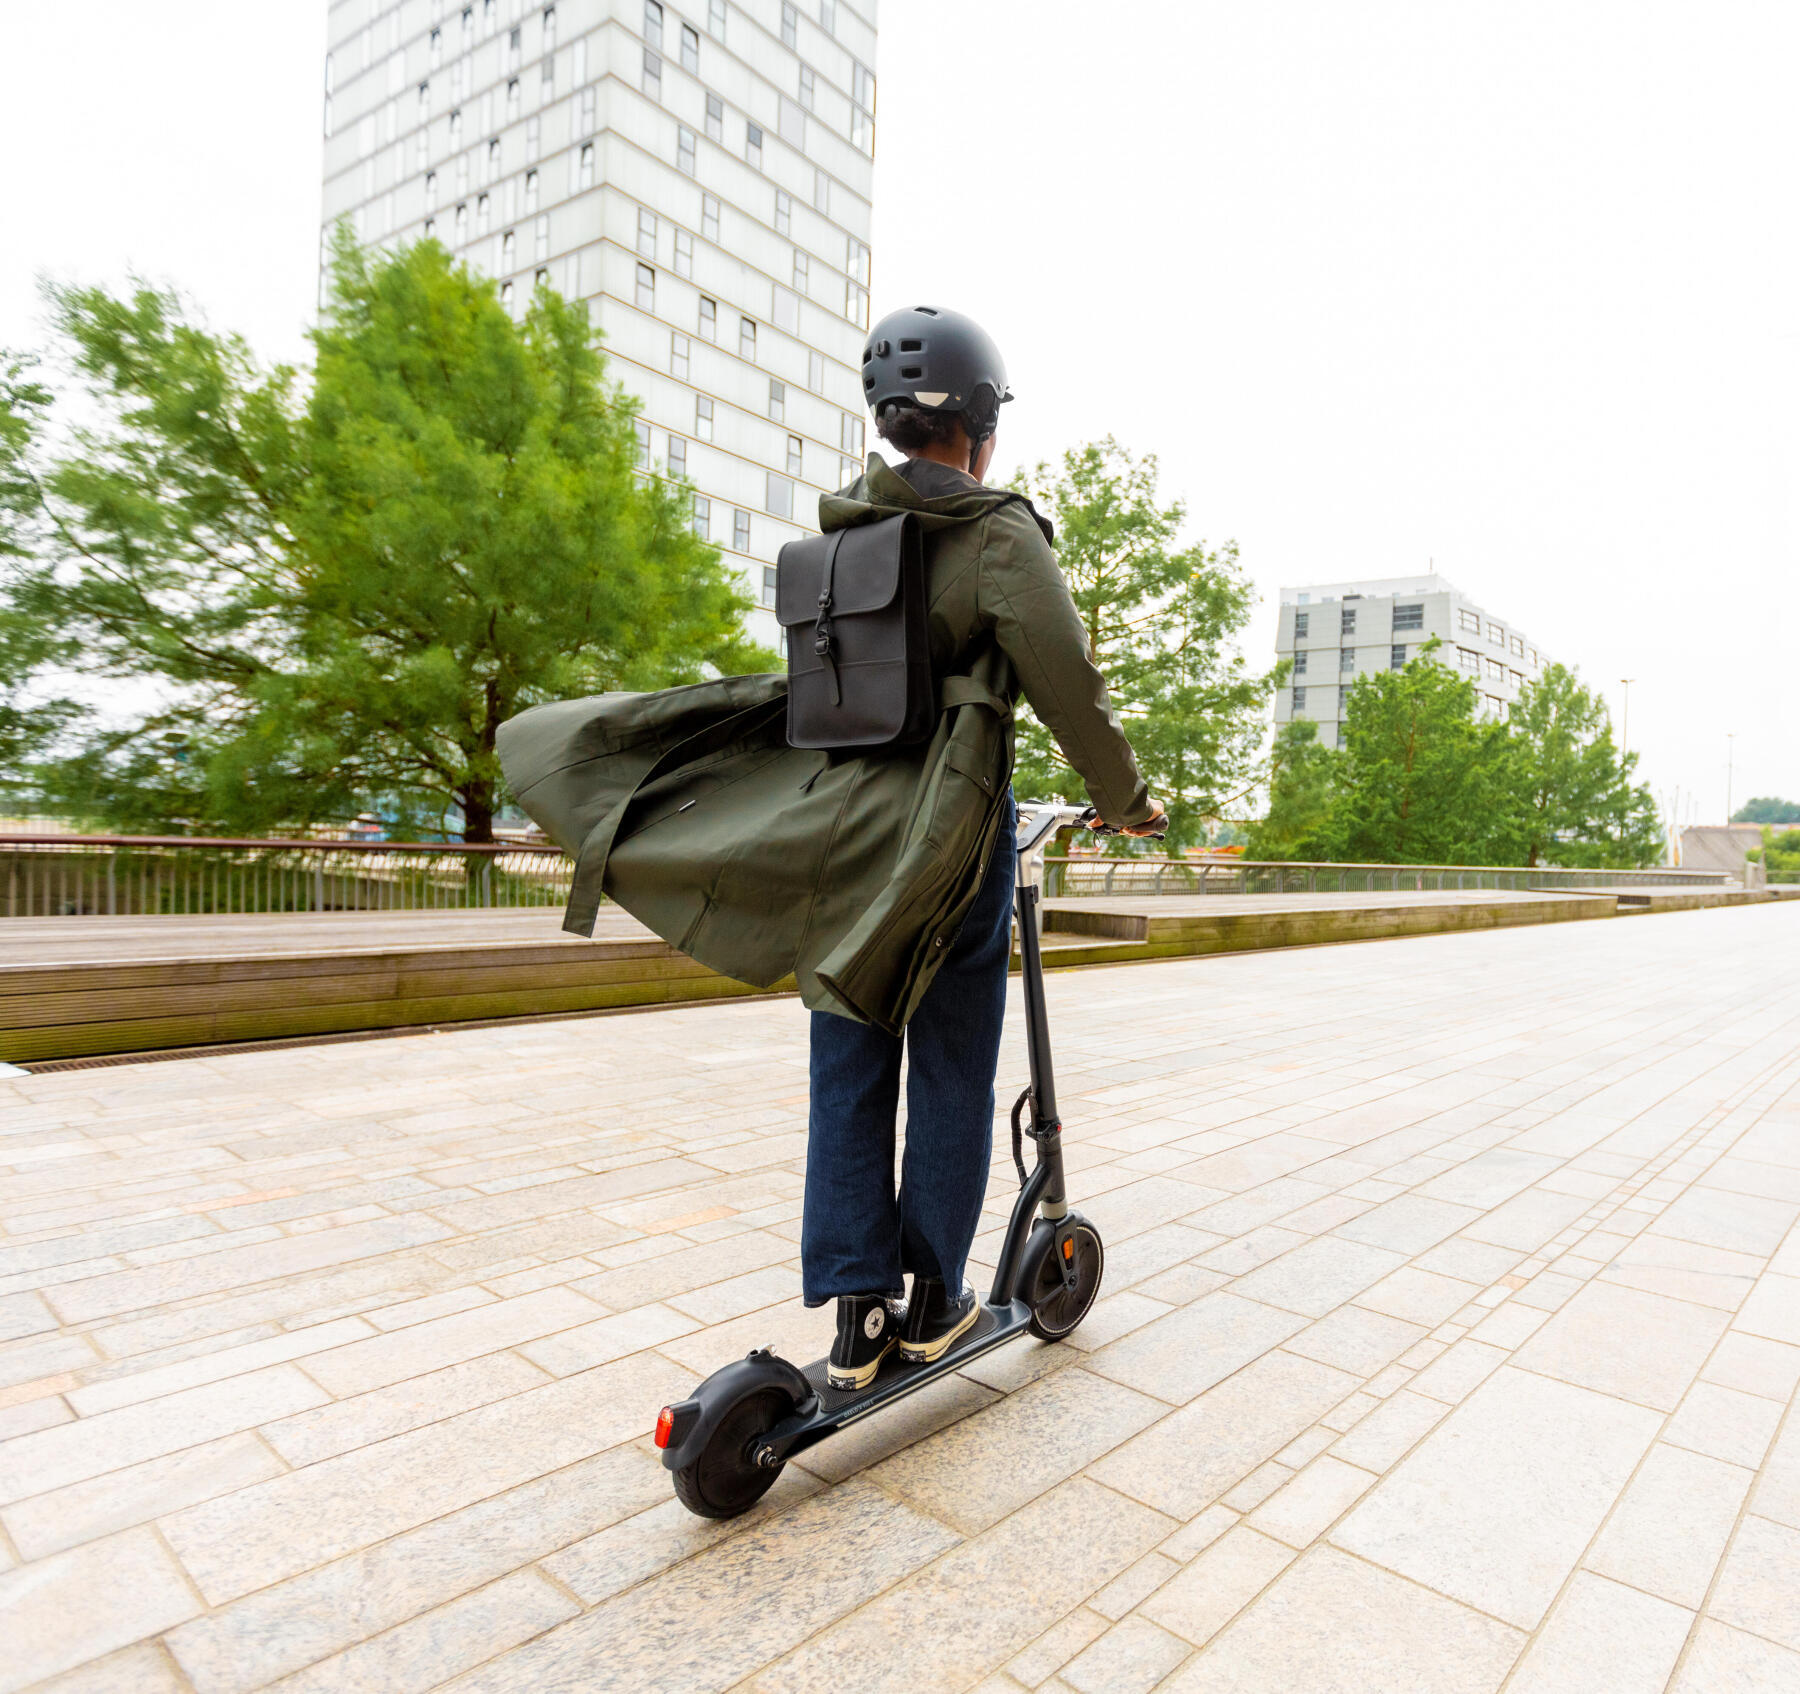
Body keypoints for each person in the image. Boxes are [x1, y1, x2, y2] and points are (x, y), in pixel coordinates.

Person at [809, 305, 1165, 1389]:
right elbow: (1069, 686)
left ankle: (856, 1316)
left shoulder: (837, 539)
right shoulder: (998, 533)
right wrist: (1129, 800)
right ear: (973, 424)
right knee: (955, 1053)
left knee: (850, 1051)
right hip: (950, 834)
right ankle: (934, 1300)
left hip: (843, 832)